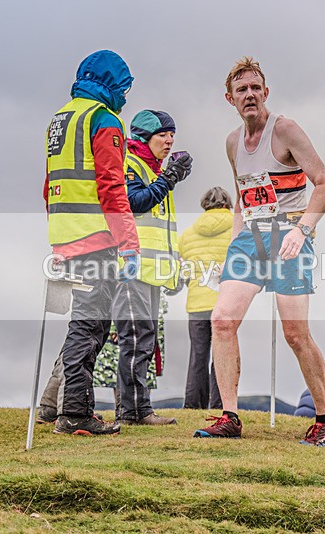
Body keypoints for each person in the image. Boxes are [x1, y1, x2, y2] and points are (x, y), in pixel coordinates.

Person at [194, 57, 325, 446]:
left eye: (256, 88)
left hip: (290, 233)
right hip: (250, 238)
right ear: (230, 98)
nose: (250, 95)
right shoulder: (232, 143)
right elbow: (243, 196)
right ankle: (229, 416)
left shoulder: (286, 130)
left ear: (266, 92)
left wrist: (302, 231)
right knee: (222, 321)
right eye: (242, 90)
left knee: (295, 333)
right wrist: (234, 242)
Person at [42, 50, 140, 436]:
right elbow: (113, 187)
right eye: (125, 87)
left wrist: (57, 240)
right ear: (112, 83)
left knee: (87, 321)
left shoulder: (61, 119)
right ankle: (74, 413)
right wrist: (129, 244)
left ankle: (73, 407)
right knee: (90, 323)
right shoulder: (104, 119)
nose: (127, 96)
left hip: (67, 237)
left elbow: (49, 186)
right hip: (97, 237)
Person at [113, 109, 192, 426]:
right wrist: (170, 177)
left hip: (151, 273)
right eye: (164, 134)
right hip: (131, 269)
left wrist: (174, 273)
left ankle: (138, 409)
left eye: (173, 134)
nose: (170, 140)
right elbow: (137, 202)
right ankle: (133, 412)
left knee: (145, 340)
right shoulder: (130, 164)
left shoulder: (154, 168)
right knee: (136, 339)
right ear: (144, 137)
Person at [178, 187, 233, 409]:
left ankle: (193, 404)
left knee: (198, 355)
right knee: (223, 354)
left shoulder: (188, 235)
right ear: (227, 204)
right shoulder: (237, 228)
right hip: (226, 301)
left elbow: (183, 266)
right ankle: (220, 404)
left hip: (196, 302)